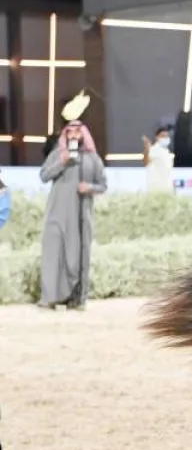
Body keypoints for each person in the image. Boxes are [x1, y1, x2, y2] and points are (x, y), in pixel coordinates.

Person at [38, 120, 107, 310]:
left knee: (76, 258)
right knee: (53, 255)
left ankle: (76, 298)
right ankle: (49, 298)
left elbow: (103, 185)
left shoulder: (93, 159)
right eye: (70, 132)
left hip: (80, 218)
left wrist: (89, 187)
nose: (74, 135)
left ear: (84, 134)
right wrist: (62, 162)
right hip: (56, 215)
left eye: (78, 131)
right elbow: (43, 175)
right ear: (65, 135)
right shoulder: (57, 154)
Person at [142, 125, 175, 194]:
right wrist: (147, 150)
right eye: (163, 136)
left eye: (166, 136)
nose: (165, 138)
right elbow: (145, 163)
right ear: (157, 137)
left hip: (167, 189)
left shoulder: (167, 152)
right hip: (156, 189)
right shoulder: (154, 149)